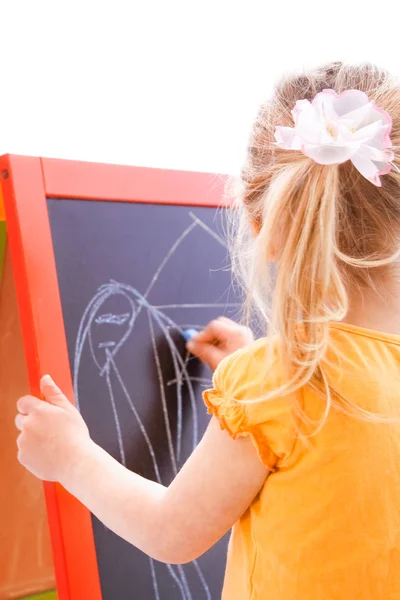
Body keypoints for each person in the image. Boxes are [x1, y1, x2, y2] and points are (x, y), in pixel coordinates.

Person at [15, 62, 400, 599]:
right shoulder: (279, 382)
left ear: (259, 221)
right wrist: (259, 383)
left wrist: (70, 456)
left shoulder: (276, 383)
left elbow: (172, 532)